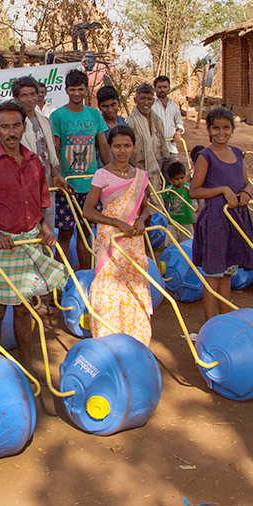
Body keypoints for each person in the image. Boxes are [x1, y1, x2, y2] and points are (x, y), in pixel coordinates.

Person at [0, 100, 68, 371]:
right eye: (4, 126)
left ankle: (27, 366)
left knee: (24, 308)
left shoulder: (34, 162)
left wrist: (44, 228)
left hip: (30, 242)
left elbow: (40, 201)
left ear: (24, 127)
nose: (11, 131)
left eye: (16, 125)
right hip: (1, 246)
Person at [82, 125, 153, 343]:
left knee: (135, 284)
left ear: (134, 147)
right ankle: (108, 338)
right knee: (108, 286)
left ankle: (136, 338)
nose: (122, 151)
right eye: (117, 146)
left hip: (133, 238)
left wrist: (141, 219)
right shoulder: (102, 175)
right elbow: (88, 210)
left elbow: (147, 206)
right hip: (109, 239)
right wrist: (115, 222)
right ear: (110, 148)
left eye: (127, 146)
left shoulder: (141, 175)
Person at [188, 108, 253, 321]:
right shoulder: (205, 157)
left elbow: (247, 183)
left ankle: (224, 320)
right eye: (216, 128)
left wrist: (246, 192)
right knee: (213, 274)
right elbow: (194, 191)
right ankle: (210, 323)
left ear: (232, 129)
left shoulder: (237, 153)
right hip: (215, 221)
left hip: (236, 220)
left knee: (227, 272)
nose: (221, 132)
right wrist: (222, 190)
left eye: (226, 128)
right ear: (208, 129)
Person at [51, 68, 109, 268]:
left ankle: (85, 272)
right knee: (65, 233)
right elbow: (55, 150)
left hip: (92, 185)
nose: (76, 93)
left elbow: (103, 147)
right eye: (72, 89)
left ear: (86, 91)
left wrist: (111, 175)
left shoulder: (94, 115)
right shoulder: (58, 116)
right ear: (66, 90)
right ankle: (63, 277)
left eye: (80, 89)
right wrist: (58, 177)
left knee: (86, 232)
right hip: (68, 186)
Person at [126, 83, 167, 188]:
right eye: (142, 99)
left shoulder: (157, 121)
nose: (146, 102)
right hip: (136, 172)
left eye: (149, 99)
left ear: (153, 101)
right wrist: (137, 166)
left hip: (155, 172)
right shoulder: (131, 122)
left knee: (157, 202)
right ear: (135, 100)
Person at [161, 161, 196, 241]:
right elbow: (160, 198)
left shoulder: (187, 188)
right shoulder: (169, 190)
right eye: (176, 179)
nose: (180, 181)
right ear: (170, 179)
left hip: (187, 219)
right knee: (171, 241)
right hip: (173, 220)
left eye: (182, 178)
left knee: (188, 240)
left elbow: (197, 195)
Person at [153, 75, 186, 156]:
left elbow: (179, 124)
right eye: (159, 87)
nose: (162, 89)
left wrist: (178, 133)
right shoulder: (150, 105)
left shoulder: (173, 106)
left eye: (165, 87)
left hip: (171, 148)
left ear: (169, 88)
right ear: (155, 89)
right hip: (155, 149)